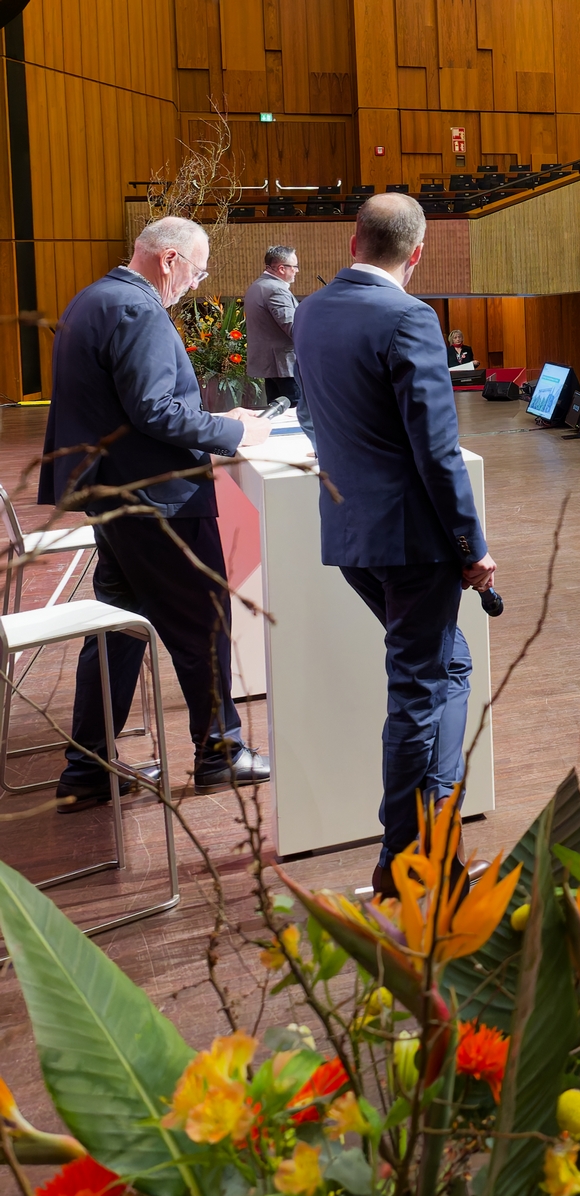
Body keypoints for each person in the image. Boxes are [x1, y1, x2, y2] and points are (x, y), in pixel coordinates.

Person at [291, 193, 495, 898]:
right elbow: (436, 452)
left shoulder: (311, 310)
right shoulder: (409, 317)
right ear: (418, 252)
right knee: (417, 692)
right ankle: (401, 861)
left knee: (448, 666)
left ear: (353, 243)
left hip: (351, 536)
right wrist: (471, 546)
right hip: (413, 544)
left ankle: (435, 841)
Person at [39, 216, 273, 812]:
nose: (196, 284)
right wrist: (233, 431)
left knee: (118, 629)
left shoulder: (93, 298)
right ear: (169, 259)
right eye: (197, 271)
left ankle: (88, 767)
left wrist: (216, 420)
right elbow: (155, 410)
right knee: (203, 623)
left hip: (116, 495)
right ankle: (220, 753)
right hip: (157, 499)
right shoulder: (138, 309)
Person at [245, 245, 302, 419]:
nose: (297, 271)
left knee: (277, 414)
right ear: (282, 268)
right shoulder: (276, 289)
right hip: (284, 365)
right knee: (295, 416)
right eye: (294, 266)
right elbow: (293, 327)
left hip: (272, 365)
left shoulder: (257, 286)